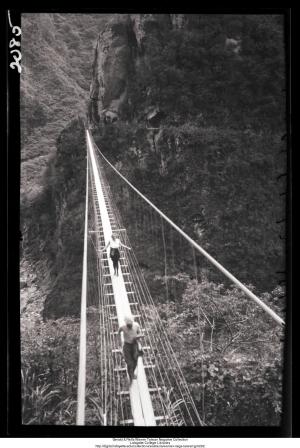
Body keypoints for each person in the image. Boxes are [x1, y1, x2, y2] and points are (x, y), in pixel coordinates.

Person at [118, 316, 143, 382]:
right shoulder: (122, 327)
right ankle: (131, 375)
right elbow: (119, 332)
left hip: (135, 345)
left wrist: (138, 337)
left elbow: (140, 333)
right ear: (126, 323)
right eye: (128, 324)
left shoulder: (136, 325)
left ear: (132, 322)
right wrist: (119, 342)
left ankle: (132, 372)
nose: (129, 325)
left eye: (130, 324)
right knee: (129, 363)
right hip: (127, 346)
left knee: (135, 361)